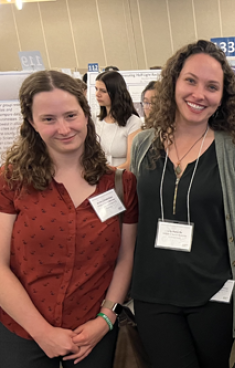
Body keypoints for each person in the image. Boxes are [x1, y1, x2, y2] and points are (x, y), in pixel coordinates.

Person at [129, 40, 235, 368]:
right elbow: (133, 220)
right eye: (190, 80)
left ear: (222, 97)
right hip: (153, 293)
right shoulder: (143, 143)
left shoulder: (234, 153)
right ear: (174, 82)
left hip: (213, 295)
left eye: (212, 86)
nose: (199, 94)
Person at [0, 71, 138, 367]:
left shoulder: (119, 184)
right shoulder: (11, 180)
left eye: (71, 115)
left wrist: (106, 317)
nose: (63, 128)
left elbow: (125, 258)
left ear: (86, 116)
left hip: (94, 332)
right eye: (48, 119)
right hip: (23, 333)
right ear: (32, 124)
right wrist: (42, 333)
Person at [95, 71, 141, 169]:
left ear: (115, 93)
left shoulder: (133, 122)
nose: (97, 94)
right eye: (96, 89)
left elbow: (131, 163)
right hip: (99, 178)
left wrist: (108, 175)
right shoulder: (97, 119)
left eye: (103, 91)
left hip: (121, 178)